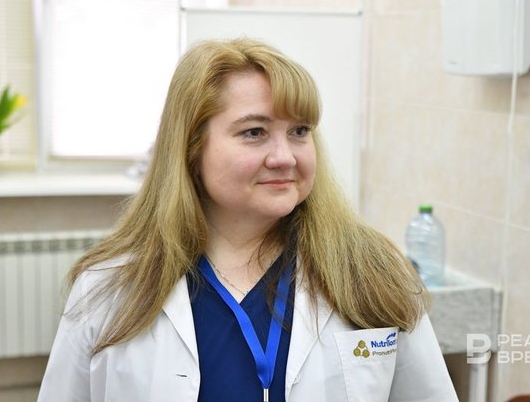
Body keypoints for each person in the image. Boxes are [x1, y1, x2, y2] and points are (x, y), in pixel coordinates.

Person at [38, 37, 458, 402]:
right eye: (254, 132)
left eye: (299, 131)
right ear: (192, 147)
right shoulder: (111, 284)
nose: (284, 157)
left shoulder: (374, 270)